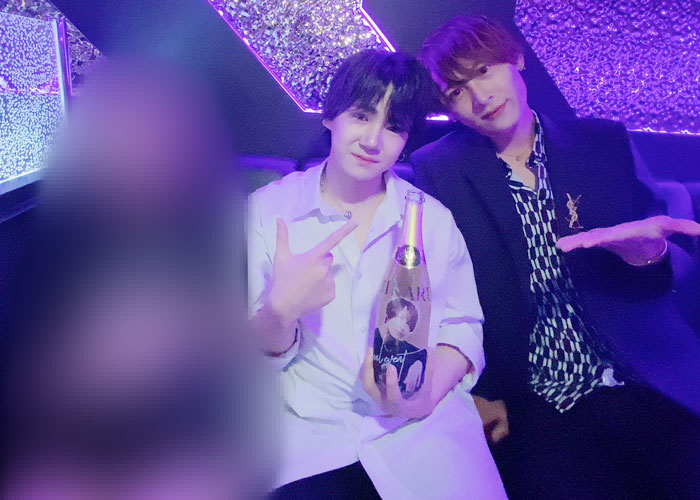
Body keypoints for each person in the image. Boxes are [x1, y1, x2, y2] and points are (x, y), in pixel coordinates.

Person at [411, 15, 700, 500]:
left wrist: (651, 258)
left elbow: (671, 275)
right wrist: (469, 392)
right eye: (456, 91)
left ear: (516, 59)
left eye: (484, 70)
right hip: (538, 397)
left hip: (641, 372)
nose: (480, 97)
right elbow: (436, 292)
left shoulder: (602, 143)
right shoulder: (439, 169)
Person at [248, 49, 506, 499]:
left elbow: (463, 324)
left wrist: (424, 395)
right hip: (311, 437)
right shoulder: (269, 211)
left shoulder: (432, 219)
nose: (372, 140)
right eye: (362, 116)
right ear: (331, 116)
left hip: (425, 433)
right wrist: (279, 313)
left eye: (392, 126)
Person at [373, 298, 426, 395]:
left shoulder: (405, 348)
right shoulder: (370, 338)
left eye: (408, 324)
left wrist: (419, 363)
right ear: (388, 317)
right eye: (401, 318)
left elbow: (423, 354)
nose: (403, 327)